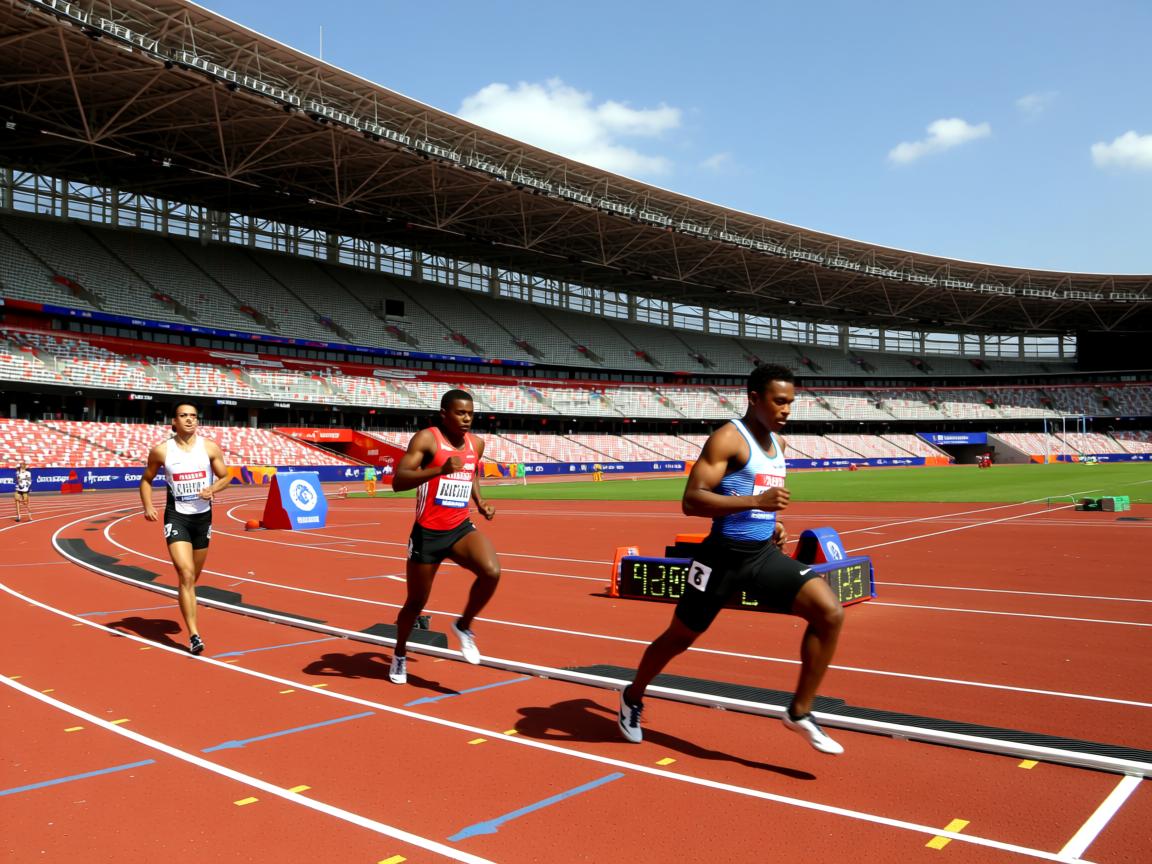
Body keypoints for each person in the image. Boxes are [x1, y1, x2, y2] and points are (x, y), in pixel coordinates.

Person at [618, 364, 846, 755]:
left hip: (760, 556)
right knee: (680, 637)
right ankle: (632, 695)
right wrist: (757, 503)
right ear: (754, 399)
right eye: (779, 401)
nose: (787, 409)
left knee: (830, 612)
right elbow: (692, 501)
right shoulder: (727, 438)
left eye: (791, 402)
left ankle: (800, 711)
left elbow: (756, 496)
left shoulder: (781, 445)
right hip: (720, 559)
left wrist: (768, 520)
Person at [387, 389, 500, 684]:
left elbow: (471, 472)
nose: (467, 419)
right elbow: (398, 482)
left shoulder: (477, 442)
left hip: (460, 527)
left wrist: (479, 501)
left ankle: (464, 626)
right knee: (416, 603)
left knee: (491, 571)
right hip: (428, 534)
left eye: (471, 414)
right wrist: (439, 469)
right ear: (444, 414)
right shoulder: (427, 439)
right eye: (460, 413)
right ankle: (399, 653)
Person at [139, 401, 230, 655]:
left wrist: (212, 488)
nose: (189, 419)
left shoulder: (209, 447)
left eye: (193, 416)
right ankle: (194, 635)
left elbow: (226, 476)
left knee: (191, 579)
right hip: (176, 517)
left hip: (203, 519)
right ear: (174, 422)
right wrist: (147, 506)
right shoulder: (161, 451)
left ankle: (185, 596)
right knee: (186, 574)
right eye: (183, 416)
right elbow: (146, 480)